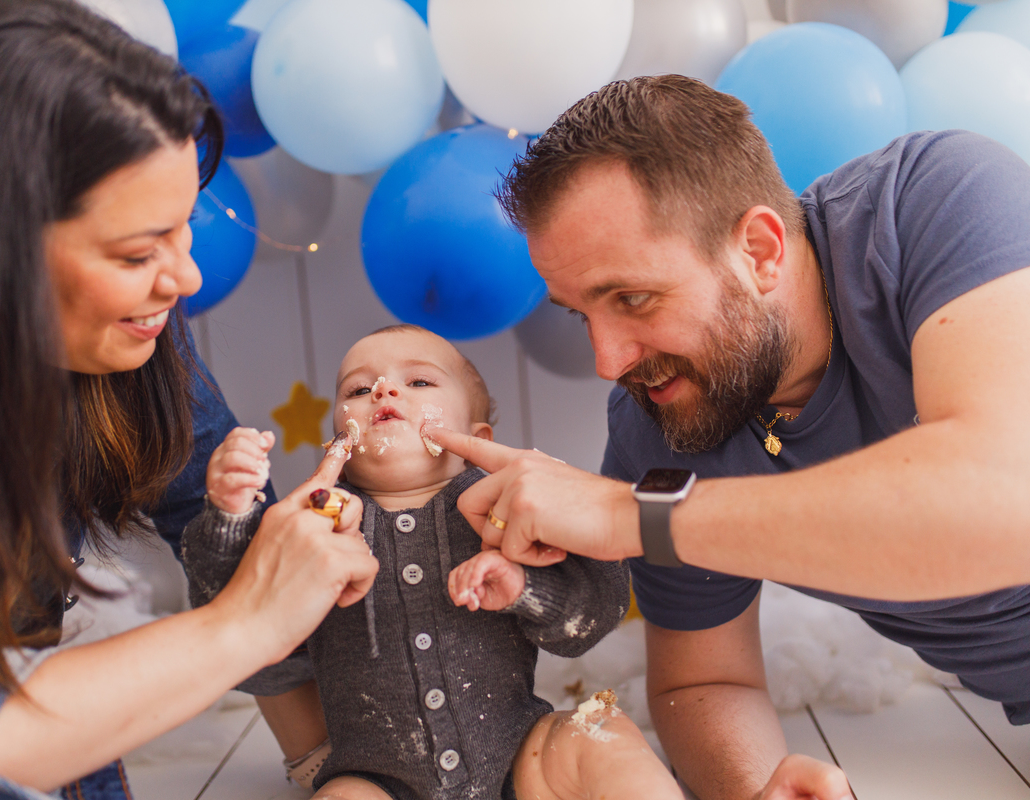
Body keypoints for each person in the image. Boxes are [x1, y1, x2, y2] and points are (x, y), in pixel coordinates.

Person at [423, 75, 1030, 800]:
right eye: (582, 314)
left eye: (634, 298)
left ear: (761, 251)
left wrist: (630, 518)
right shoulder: (661, 420)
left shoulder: (941, 199)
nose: (608, 363)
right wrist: (754, 789)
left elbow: (1002, 498)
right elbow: (706, 677)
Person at [0, 2, 377, 798]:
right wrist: (243, 624)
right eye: (136, 252)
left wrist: (327, 767)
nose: (184, 278)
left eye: (184, 225)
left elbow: (210, 515)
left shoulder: (122, 311)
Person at [182, 324, 682, 800]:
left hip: (519, 755)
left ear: (478, 437)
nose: (382, 391)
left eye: (418, 381)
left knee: (600, 731)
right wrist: (230, 517)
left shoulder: (506, 509)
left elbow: (590, 622)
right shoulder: (318, 529)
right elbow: (249, 656)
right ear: (339, 441)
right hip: (375, 779)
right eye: (357, 390)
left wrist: (527, 588)